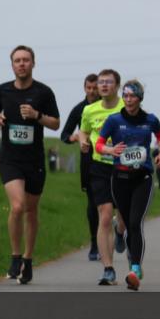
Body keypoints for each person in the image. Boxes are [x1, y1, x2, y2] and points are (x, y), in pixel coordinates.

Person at [0, 45, 60, 284]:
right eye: (17, 60)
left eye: (26, 60)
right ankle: (15, 256)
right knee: (17, 207)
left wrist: (37, 116)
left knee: (31, 210)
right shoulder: (3, 90)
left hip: (34, 160)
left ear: (33, 63)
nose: (21, 64)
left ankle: (28, 260)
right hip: (10, 159)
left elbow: (55, 124)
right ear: (12, 65)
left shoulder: (44, 92)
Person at [95, 80, 160, 291]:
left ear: (139, 98)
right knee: (126, 223)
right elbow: (98, 144)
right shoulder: (114, 120)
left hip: (142, 178)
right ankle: (120, 233)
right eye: (125, 96)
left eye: (132, 96)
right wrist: (110, 150)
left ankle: (135, 269)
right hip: (119, 179)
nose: (128, 100)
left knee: (135, 223)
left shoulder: (150, 120)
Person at [79, 69, 128, 285]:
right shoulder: (89, 110)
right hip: (99, 166)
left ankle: (121, 231)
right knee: (105, 214)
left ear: (117, 85)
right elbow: (84, 130)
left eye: (109, 82)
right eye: (101, 82)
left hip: (123, 167)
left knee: (122, 215)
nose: (104, 85)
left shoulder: (126, 108)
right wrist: (82, 140)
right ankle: (108, 268)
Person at [60, 73, 100, 260]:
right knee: (93, 204)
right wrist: (74, 137)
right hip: (89, 161)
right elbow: (64, 134)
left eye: (95, 88)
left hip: (111, 158)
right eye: (88, 88)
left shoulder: (110, 106)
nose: (91, 91)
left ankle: (118, 230)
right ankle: (94, 244)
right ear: (84, 88)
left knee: (113, 203)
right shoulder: (79, 109)